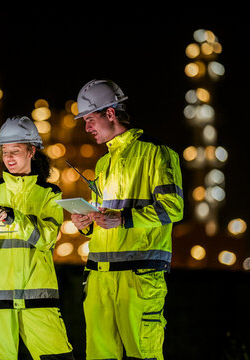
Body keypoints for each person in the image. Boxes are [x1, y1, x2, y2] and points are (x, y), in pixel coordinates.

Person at [71, 79, 184, 360]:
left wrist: (123, 219)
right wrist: (86, 224)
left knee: (141, 355)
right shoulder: (102, 163)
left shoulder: (156, 153)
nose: (87, 128)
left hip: (139, 277)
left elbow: (173, 208)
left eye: (90, 119)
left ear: (110, 113)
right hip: (99, 277)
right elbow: (104, 217)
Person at [0, 115, 74, 360]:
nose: (8, 157)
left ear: (32, 151)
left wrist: (14, 218)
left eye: (15, 151)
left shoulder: (50, 194)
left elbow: (47, 238)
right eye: (5, 151)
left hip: (36, 297)